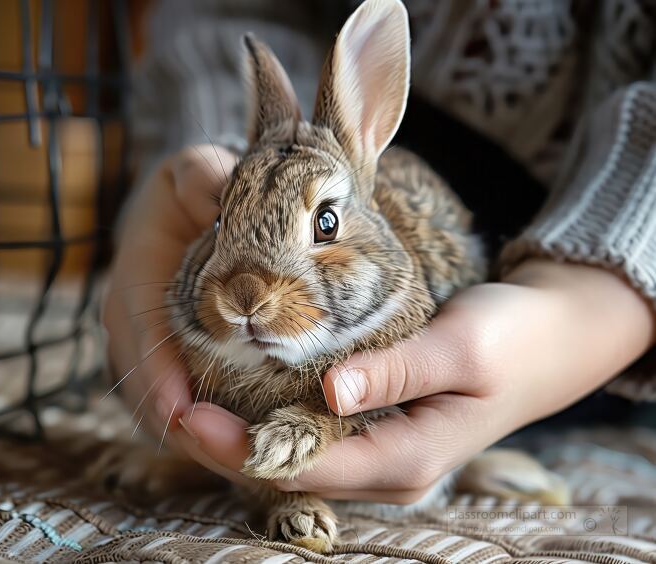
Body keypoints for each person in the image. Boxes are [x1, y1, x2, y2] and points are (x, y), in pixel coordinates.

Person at [103, 0, 656, 502]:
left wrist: (595, 304)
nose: (248, 296)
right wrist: (191, 166)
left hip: (580, 276)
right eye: (225, 220)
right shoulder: (228, 277)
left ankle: (467, 455)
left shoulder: (408, 291)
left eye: (322, 225)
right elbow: (228, 17)